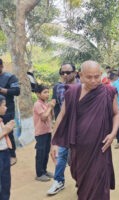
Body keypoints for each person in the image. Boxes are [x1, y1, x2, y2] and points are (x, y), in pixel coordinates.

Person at [50, 60, 119, 200]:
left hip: (100, 148)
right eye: (89, 77)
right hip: (79, 149)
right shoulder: (72, 92)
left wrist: (113, 134)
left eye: (97, 76)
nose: (94, 80)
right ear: (80, 75)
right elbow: (62, 115)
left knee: (99, 186)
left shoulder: (108, 91)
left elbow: (116, 114)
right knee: (83, 186)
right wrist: (54, 142)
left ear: (101, 74)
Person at [48, 63, 79, 195]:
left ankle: (81, 181)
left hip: (79, 128)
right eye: (62, 73)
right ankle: (59, 181)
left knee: (78, 156)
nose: (65, 75)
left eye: (68, 72)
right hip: (64, 127)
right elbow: (57, 106)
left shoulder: (82, 85)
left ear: (75, 72)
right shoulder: (58, 87)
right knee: (61, 154)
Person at [0, 58, 20, 166]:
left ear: (1, 66)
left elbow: (17, 91)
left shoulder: (10, 77)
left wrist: (2, 90)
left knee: (8, 132)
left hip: (7, 110)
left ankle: (12, 155)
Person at [33, 85, 55, 182]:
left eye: (48, 92)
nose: (47, 94)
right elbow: (43, 117)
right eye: (45, 92)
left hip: (47, 131)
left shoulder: (46, 103)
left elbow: (52, 117)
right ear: (38, 94)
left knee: (46, 152)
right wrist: (50, 107)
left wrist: (51, 108)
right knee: (40, 153)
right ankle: (39, 173)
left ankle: (44, 171)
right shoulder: (38, 104)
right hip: (41, 133)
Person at [0, 95, 15, 200]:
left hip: (5, 154)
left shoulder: (1, 120)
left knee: (6, 183)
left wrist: (7, 128)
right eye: (4, 105)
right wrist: (6, 131)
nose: (6, 108)